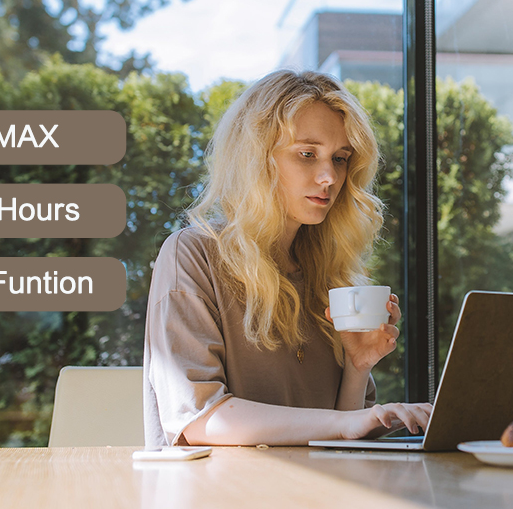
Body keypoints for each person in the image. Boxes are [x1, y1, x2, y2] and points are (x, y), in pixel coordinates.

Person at [143, 70, 432, 446]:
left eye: (341, 159)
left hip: (309, 496)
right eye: (307, 154)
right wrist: (348, 424)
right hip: (215, 499)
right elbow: (200, 420)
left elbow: (337, 438)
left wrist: (358, 367)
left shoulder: (329, 276)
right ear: (257, 159)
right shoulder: (193, 254)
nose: (329, 176)